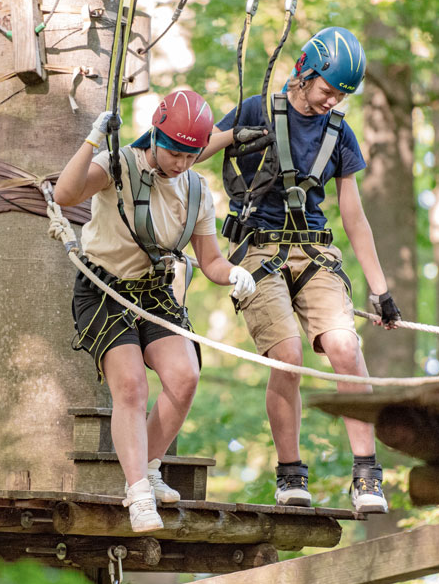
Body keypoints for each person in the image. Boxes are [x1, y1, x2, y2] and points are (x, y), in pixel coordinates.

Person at [199, 27, 401, 514]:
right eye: (327, 89)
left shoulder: (339, 132)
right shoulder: (256, 110)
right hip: (259, 250)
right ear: (304, 72)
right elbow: (191, 149)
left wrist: (380, 291)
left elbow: (354, 217)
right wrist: (231, 136)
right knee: (287, 353)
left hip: (314, 251)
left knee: (345, 346)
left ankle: (366, 474)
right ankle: (290, 475)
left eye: (341, 95)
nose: (332, 101)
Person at [54, 90, 255, 532]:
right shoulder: (119, 165)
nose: (182, 162)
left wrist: (233, 274)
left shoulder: (197, 190)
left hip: (154, 293)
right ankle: (138, 494)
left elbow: (211, 260)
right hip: (104, 289)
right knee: (130, 385)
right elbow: (66, 194)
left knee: (184, 377)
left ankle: (147, 466)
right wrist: (92, 140)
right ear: (156, 136)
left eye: (191, 154)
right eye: (174, 151)